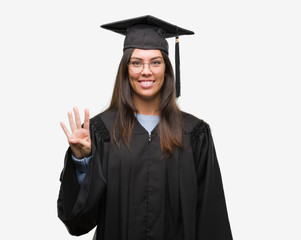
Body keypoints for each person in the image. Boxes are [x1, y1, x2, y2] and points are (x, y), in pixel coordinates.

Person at [57, 15, 233, 240]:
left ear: (167, 69)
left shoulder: (195, 134)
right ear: (125, 69)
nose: (146, 71)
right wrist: (82, 162)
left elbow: (212, 218)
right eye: (137, 62)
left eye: (155, 62)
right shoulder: (101, 132)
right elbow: (79, 223)